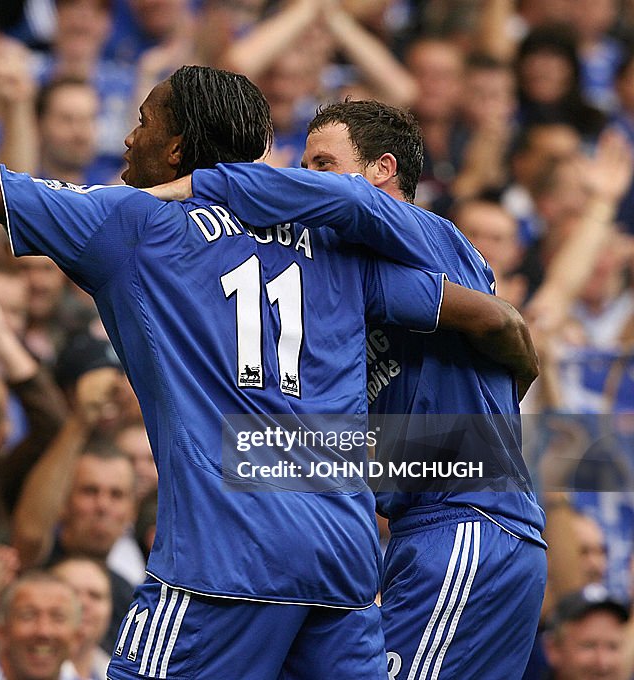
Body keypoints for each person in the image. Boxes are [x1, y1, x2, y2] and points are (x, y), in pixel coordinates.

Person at [0, 22, 535, 678]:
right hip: (341, 563)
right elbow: (491, 318)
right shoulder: (337, 246)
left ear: (176, 146)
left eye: (143, 120)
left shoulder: (131, 223)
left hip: (227, 552)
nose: (126, 137)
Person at [149, 99, 548, 678]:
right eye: (305, 167)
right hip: (450, 529)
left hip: (466, 525)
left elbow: (500, 321)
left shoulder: (424, 233)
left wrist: (194, 187)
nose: (309, 181)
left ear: (383, 169)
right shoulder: (358, 276)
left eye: (323, 164)